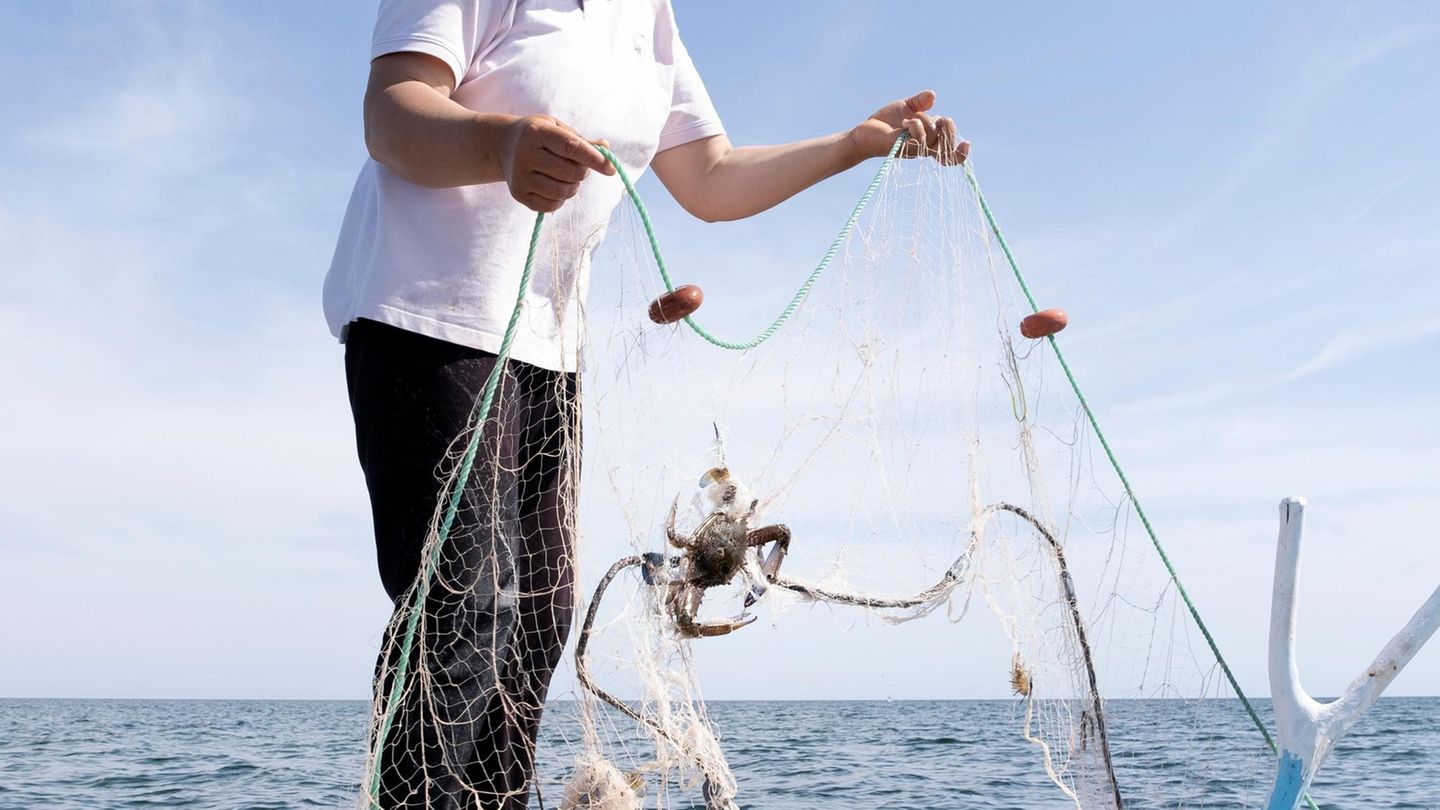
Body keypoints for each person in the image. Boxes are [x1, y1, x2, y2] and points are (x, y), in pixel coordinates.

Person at [324, 1, 968, 807]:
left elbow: (710, 176)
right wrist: (504, 143)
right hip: (427, 319)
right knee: (467, 610)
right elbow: (391, 114)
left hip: (550, 351)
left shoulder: (647, 15)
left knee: (535, 626)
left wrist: (851, 147)